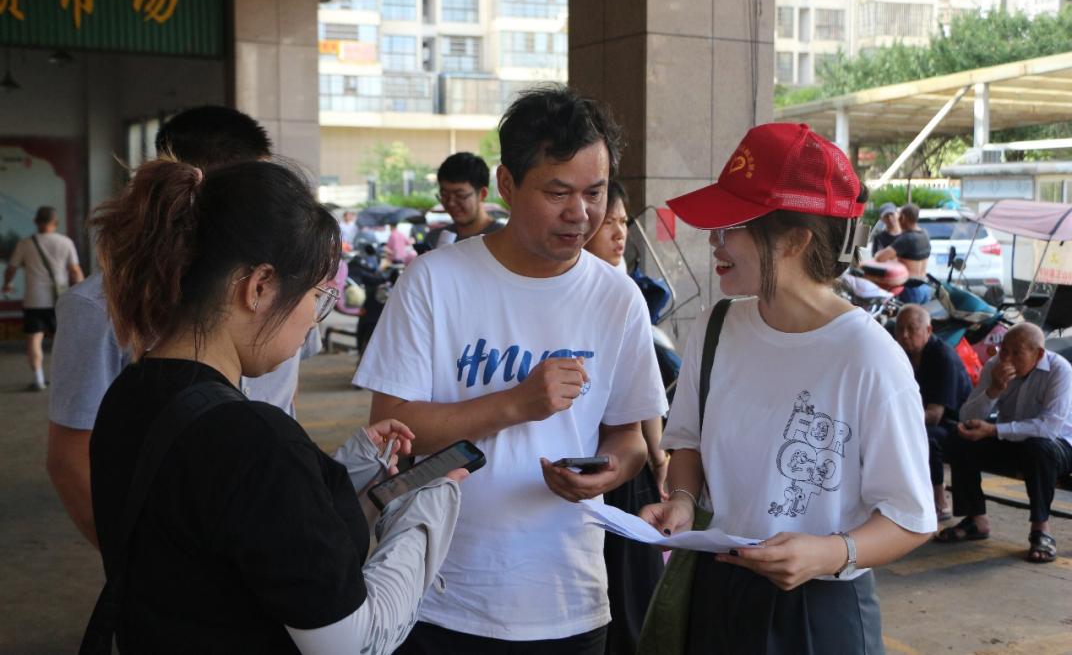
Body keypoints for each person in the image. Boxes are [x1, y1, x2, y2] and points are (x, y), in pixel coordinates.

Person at [87, 157, 464, 652]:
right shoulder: (256, 441)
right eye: (316, 295)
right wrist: (425, 508)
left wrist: (336, 476)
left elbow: (224, 527)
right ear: (259, 287)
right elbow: (351, 643)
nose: (313, 319)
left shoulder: (130, 393)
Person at [355, 85, 668, 654]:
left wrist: (608, 473)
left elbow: (629, 437)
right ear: (506, 184)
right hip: (441, 594)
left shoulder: (618, 297)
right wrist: (515, 405)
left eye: (595, 192)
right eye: (558, 192)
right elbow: (392, 429)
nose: (580, 213)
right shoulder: (434, 281)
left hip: (569, 597)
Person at [641, 123, 934, 654]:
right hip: (716, 589)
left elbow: (910, 518)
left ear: (796, 240)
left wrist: (828, 554)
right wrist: (681, 501)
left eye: (732, 227)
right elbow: (687, 442)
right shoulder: (716, 327)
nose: (714, 241)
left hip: (817, 607)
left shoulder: (868, 357)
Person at [46, 105, 320, 549]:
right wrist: (139, 562)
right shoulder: (101, 306)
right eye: (259, 184)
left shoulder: (284, 289)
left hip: (271, 516)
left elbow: (287, 393)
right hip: (175, 540)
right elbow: (71, 455)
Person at [583, 179, 666, 655]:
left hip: (621, 467)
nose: (620, 234)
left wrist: (659, 458)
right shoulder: (574, 292)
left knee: (631, 591)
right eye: (609, 224)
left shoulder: (624, 293)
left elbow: (643, 397)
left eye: (623, 223)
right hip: (579, 467)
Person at [936, 322, 1072, 564]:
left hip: (1057, 445)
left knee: (1038, 447)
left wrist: (993, 430)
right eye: (1004, 350)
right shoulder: (994, 365)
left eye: (1016, 352)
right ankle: (976, 519)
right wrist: (994, 390)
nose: (1007, 358)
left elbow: (1048, 428)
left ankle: (1041, 528)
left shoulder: (1059, 370)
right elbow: (966, 416)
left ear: (1038, 353)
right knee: (960, 438)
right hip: (1011, 439)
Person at [894, 304, 972, 522]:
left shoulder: (942, 356)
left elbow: (935, 415)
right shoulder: (901, 356)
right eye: (900, 329)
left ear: (928, 330)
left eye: (912, 329)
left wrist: (897, 419)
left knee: (924, 438)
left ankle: (940, 501)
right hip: (918, 418)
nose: (904, 335)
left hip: (954, 423)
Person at [2, 206, 83, 391]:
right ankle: (67, 379)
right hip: (59, 300)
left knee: (34, 339)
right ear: (56, 222)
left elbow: (11, 268)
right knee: (64, 340)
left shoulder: (25, 244)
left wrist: (7, 284)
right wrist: (81, 296)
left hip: (34, 300)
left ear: (36, 221)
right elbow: (75, 271)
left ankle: (38, 379)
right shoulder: (66, 242)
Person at [427, 151, 503, 249]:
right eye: (444, 195)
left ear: (482, 194)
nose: (451, 203)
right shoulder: (435, 239)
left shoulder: (504, 238)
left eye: (460, 195)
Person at [875, 203, 932, 304]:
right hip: (925, 287)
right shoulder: (925, 234)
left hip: (910, 290)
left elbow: (879, 257)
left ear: (903, 217)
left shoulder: (906, 239)